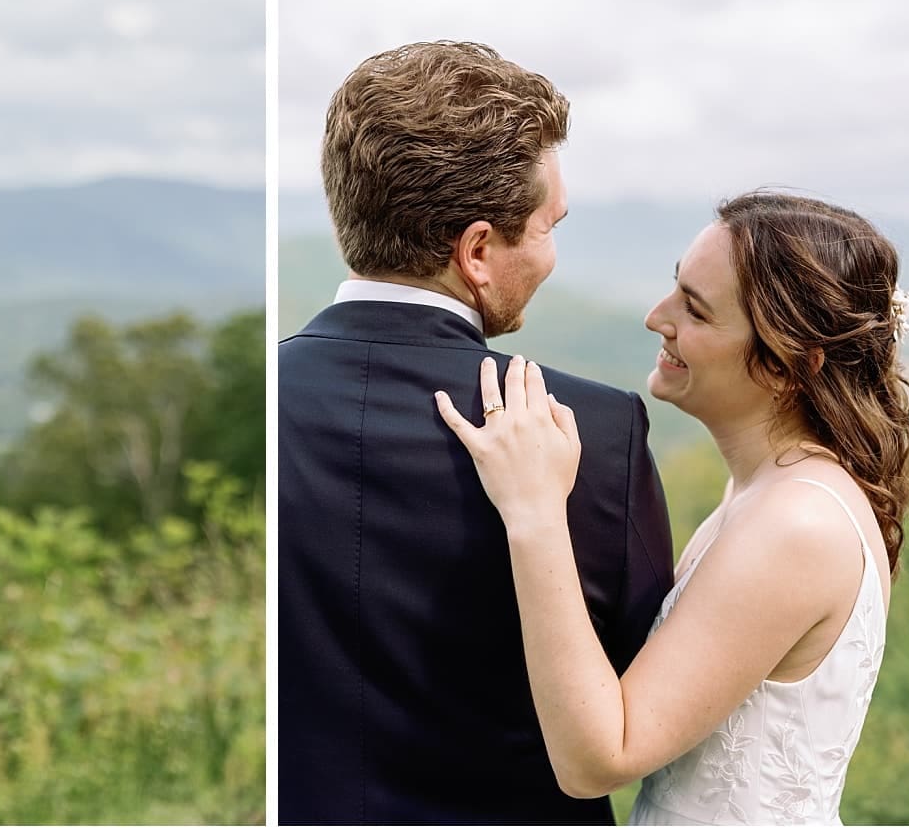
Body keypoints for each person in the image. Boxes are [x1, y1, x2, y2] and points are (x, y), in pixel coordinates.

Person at [277, 41, 676, 824]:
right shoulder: (595, 427)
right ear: (479, 251)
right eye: (548, 226)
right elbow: (638, 694)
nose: (553, 252)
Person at [438, 192, 909, 825]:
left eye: (696, 309)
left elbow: (599, 759)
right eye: (674, 289)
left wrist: (534, 511)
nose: (656, 318)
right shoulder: (766, 493)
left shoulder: (798, 524)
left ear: (791, 366)